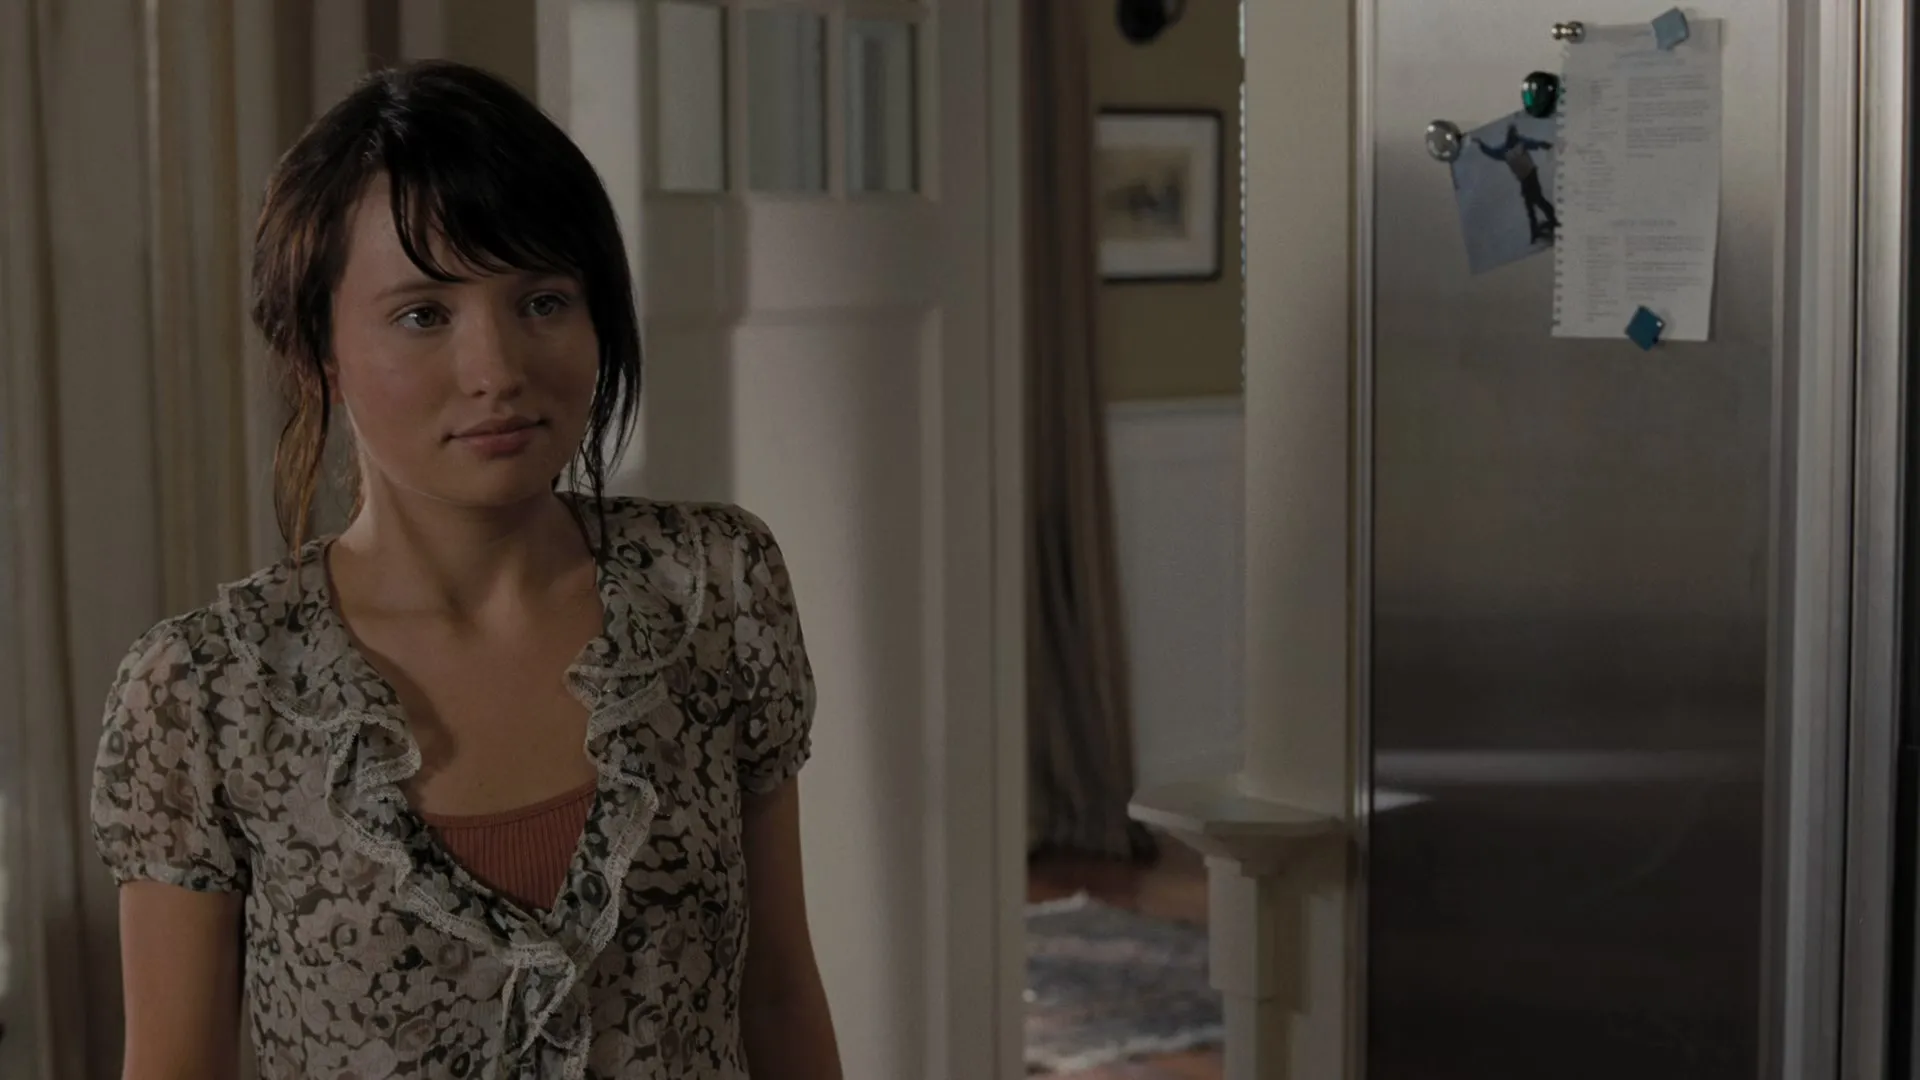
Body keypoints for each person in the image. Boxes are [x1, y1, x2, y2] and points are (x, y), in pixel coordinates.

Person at [89, 60, 842, 1080]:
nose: (498, 370)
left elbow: (779, 992)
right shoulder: (203, 695)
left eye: (543, 300)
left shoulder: (716, 589)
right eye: (423, 314)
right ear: (318, 350)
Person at [1475, 123, 1560, 243]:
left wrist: (1544, 144)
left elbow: (1493, 152)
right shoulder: (1512, 147)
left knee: (1535, 201)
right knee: (1533, 202)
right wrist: (1482, 145)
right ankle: (1542, 226)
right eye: (1514, 134)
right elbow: (1493, 152)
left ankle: (1545, 225)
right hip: (1526, 177)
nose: (1515, 136)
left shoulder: (1511, 147)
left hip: (1530, 176)